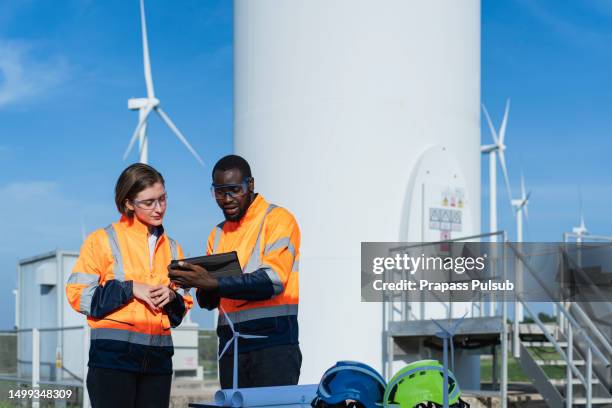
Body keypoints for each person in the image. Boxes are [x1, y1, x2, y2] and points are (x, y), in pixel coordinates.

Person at [168, 154, 301, 389]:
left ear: (250, 185)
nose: (227, 199)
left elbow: (272, 281)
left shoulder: (278, 220)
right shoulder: (217, 234)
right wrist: (195, 282)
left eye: (234, 190)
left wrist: (213, 283)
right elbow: (209, 302)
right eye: (219, 192)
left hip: (273, 348)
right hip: (231, 348)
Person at [65, 163, 192, 408]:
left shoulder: (174, 248)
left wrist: (172, 297)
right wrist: (130, 288)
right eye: (149, 202)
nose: (159, 208)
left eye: (163, 199)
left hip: (158, 363)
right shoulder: (101, 240)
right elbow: (78, 295)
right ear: (128, 203)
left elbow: (181, 308)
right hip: (112, 361)